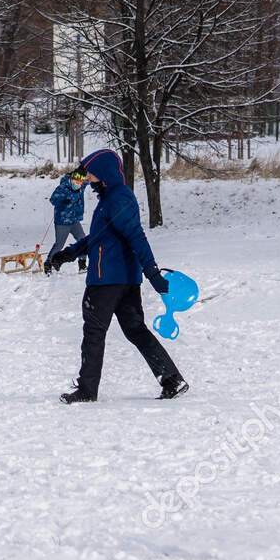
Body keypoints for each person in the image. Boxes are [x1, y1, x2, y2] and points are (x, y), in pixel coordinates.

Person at [46, 148, 187, 403]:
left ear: (104, 173)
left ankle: (87, 390)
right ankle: (171, 379)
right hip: (122, 279)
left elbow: (136, 236)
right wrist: (67, 254)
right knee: (135, 330)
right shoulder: (110, 198)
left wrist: (153, 273)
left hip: (107, 280)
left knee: (94, 332)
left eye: (90, 171)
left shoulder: (118, 198)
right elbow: (98, 238)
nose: (87, 176)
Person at [45, 169, 88, 274]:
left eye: (79, 183)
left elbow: (89, 178)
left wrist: (85, 167)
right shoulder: (63, 188)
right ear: (71, 179)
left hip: (74, 221)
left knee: (82, 240)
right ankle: (48, 264)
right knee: (59, 244)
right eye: (75, 182)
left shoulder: (81, 186)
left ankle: (82, 264)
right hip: (62, 221)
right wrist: (62, 201)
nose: (77, 185)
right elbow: (52, 200)